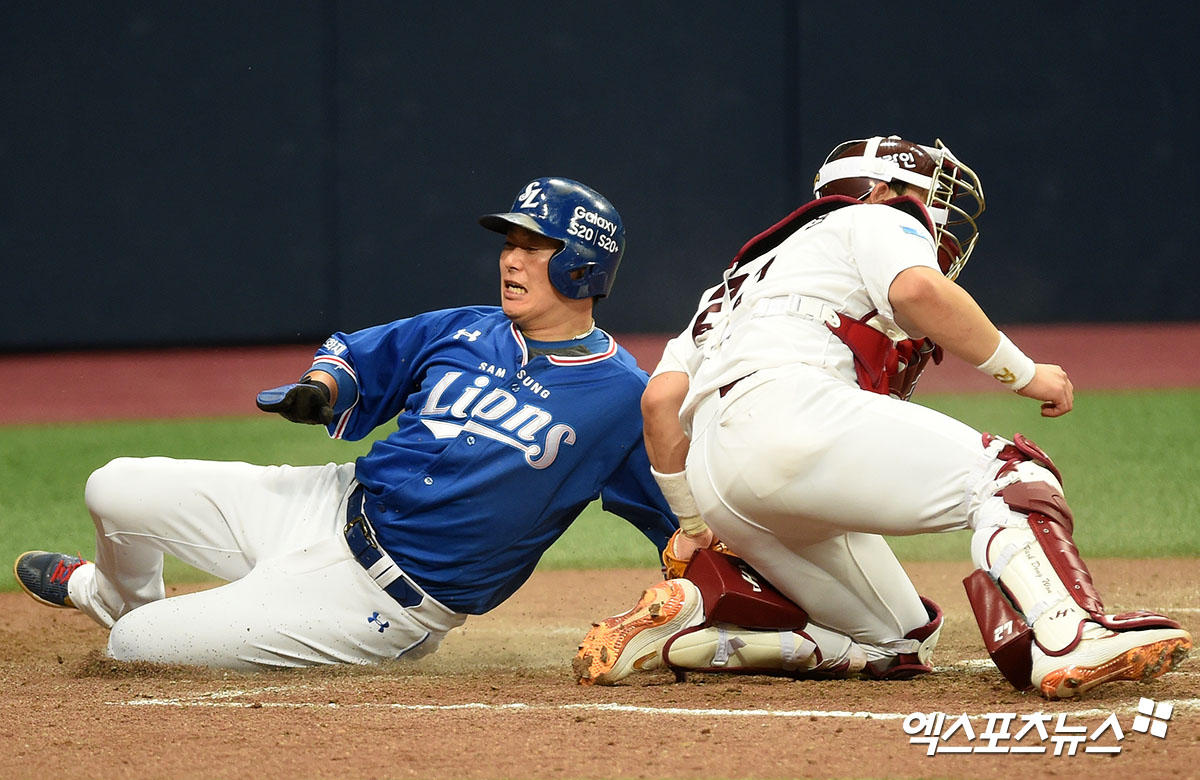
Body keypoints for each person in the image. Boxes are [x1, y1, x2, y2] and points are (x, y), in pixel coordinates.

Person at [573, 136, 1191, 699]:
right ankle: (1070, 634)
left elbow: (659, 405)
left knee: (896, 640)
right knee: (1008, 476)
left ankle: (707, 615)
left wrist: (694, 525)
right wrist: (1027, 373)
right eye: (927, 194)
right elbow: (920, 293)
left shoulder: (732, 286)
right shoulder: (873, 217)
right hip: (791, 412)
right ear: (878, 190)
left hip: (719, 478)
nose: (936, 210)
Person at [15, 177, 677, 670]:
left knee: (135, 649)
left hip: (379, 603)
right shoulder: (467, 329)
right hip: (324, 502)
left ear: (581, 264)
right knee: (115, 485)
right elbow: (357, 355)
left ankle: (143, 619)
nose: (510, 259)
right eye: (509, 243)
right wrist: (321, 387)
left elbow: (681, 527)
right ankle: (110, 594)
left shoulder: (623, 398)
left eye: (534, 246)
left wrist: (721, 615)